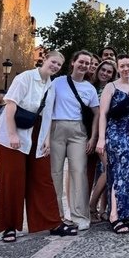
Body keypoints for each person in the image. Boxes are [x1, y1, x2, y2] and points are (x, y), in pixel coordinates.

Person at [0, 51, 78, 243]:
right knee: (12, 180)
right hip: (11, 134)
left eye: (59, 65)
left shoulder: (51, 86)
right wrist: (13, 134)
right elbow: (10, 105)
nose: (55, 66)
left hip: (37, 134)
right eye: (53, 62)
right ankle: (9, 227)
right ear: (45, 60)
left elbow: (46, 115)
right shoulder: (25, 78)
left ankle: (51, 223)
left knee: (42, 179)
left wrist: (47, 139)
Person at [45, 50, 100, 231]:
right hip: (57, 128)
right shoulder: (57, 82)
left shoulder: (89, 88)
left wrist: (93, 137)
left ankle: (80, 216)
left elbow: (97, 113)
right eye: (81, 62)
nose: (84, 65)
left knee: (79, 173)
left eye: (87, 63)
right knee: (55, 173)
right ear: (73, 63)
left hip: (78, 131)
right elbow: (47, 107)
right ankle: (56, 216)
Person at [96, 54, 129, 234]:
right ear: (118, 68)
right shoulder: (111, 87)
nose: (126, 69)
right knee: (118, 174)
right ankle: (114, 215)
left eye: (128, 66)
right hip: (116, 135)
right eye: (122, 66)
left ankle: (126, 211)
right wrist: (101, 139)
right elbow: (103, 114)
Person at [89, 60, 118, 223]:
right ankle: (92, 207)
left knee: (108, 170)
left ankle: (102, 209)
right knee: (109, 169)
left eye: (109, 72)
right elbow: (97, 115)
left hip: (110, 134)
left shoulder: (113, 89)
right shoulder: (91, 88)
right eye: (103, 70)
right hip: (97, 134)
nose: (105, 73)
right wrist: (95, 137)